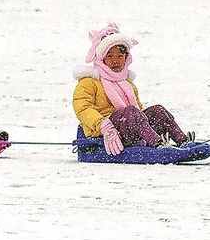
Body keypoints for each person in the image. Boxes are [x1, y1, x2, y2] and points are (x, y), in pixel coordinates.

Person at [72, 23, 192, 155]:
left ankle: (183, 141)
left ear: (126, 58)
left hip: (129, 127)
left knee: (157, 111)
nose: (115, 61)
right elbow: (83, 109)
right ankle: (158, 145)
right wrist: (104, 126)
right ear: (102, 58)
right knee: (130, 112)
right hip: (105, 131)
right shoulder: (89, 81)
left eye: (119, 56)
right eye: (110, 56)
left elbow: (139, 113)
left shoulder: (127, 84)